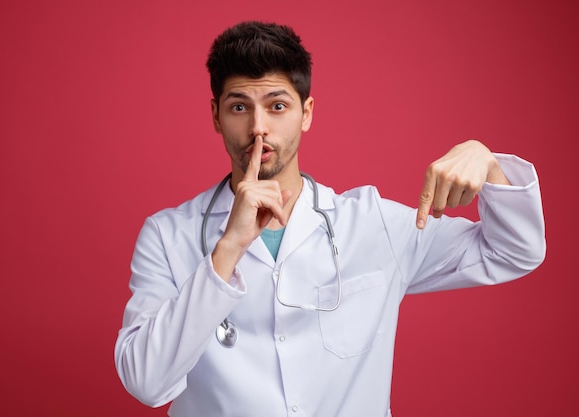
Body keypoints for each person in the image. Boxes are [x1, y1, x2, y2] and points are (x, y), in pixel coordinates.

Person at [114, 21, 546, 417]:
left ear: (307, 113)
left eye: (278, 106)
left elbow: (514, 251)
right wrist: (227, 250)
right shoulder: (168, 236)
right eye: (240, 107)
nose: (259, 129)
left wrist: (486, 162)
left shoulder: (373, 224)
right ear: (216, 116)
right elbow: (146, 383)